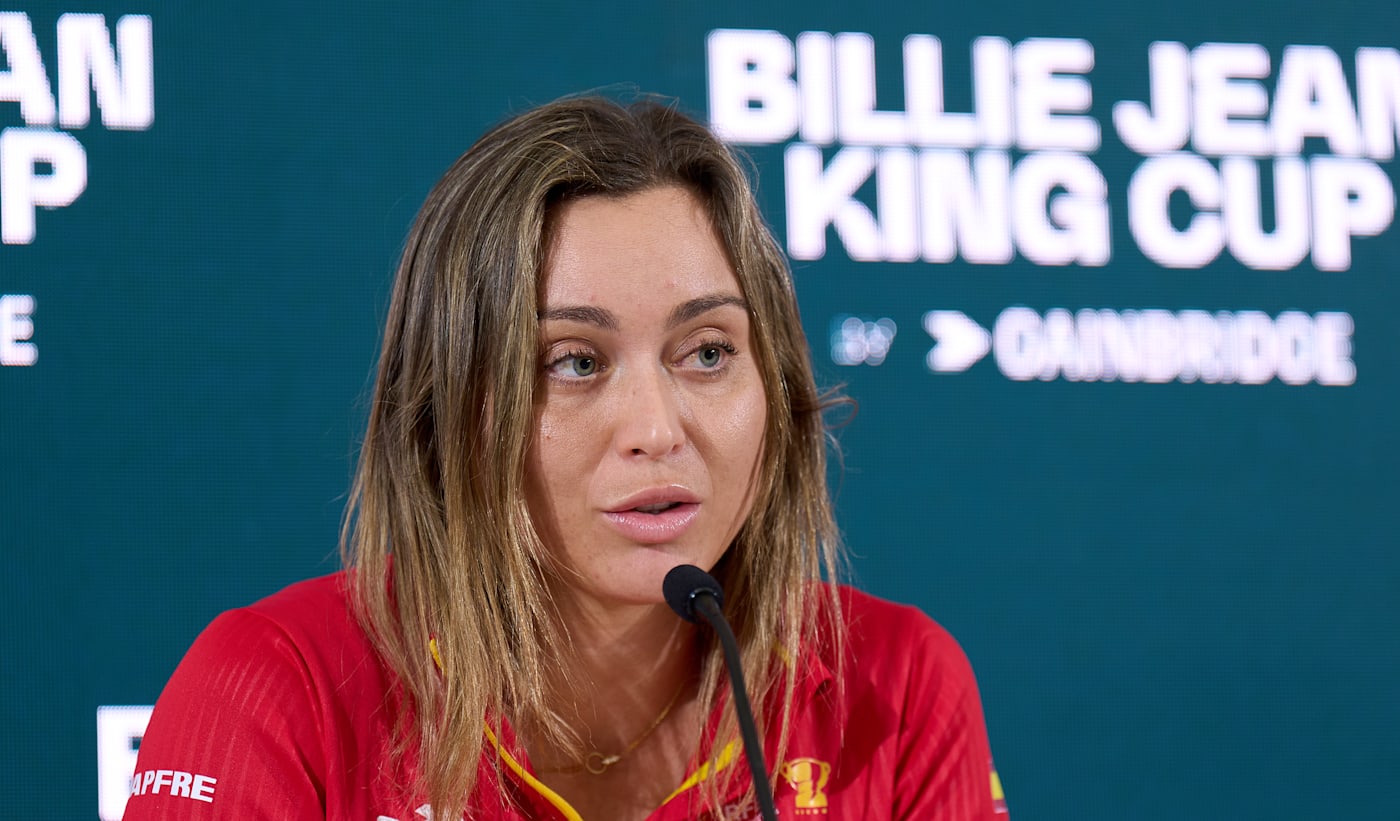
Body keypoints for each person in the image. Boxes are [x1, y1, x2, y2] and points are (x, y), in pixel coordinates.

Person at [123, 95, 1008, 821]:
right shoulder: (277, 688)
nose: (657, 429)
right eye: (575, 362)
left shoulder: (899, 685)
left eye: (708, 351)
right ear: (452, 408)